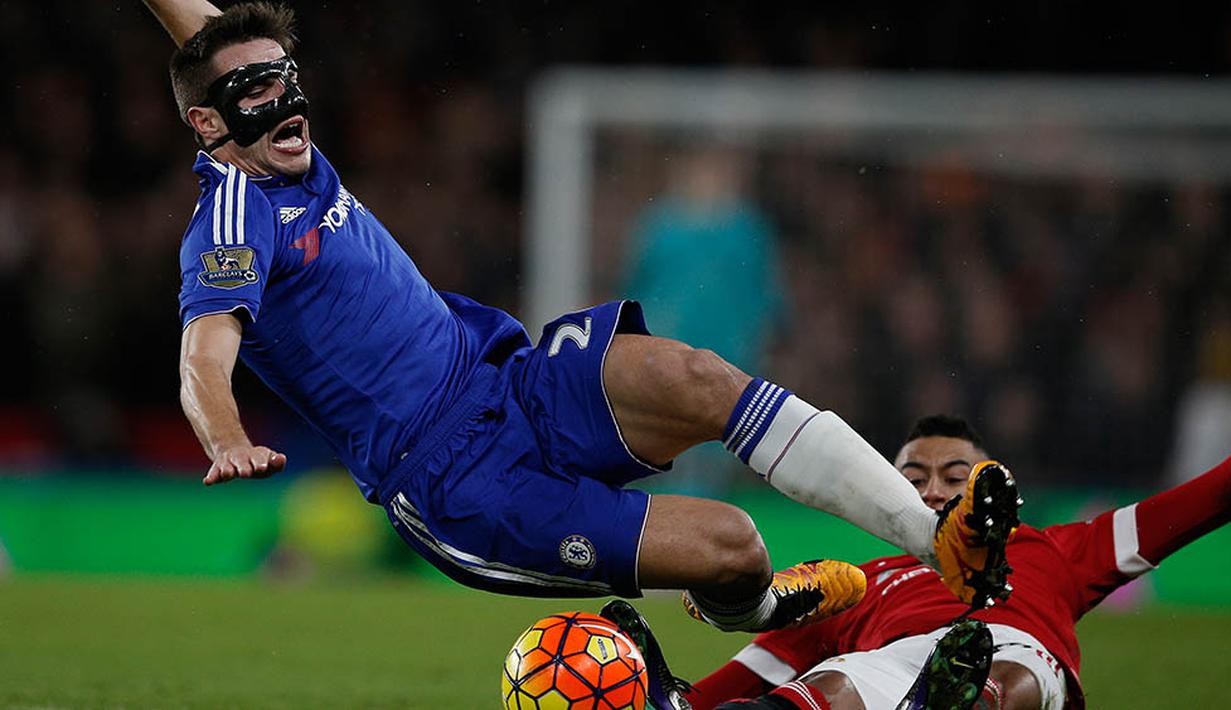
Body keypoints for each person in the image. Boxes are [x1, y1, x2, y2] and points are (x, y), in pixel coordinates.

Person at [142, 4, 1017, 705]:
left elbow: (212, 43)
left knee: (694, 374)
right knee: (733, 547)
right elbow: (204, 347)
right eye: (256, 91)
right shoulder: (236, 212)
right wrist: (222, 433)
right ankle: (761, 608)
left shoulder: (279, 147)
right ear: (208, 124)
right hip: (455, 480)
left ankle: (933, 536)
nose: (286, 101)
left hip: (506, 380)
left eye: (287, 79)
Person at [673, 414, 1231, 710]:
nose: (933, 491)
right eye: (912, 481)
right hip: (896, 673)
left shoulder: (1050, 548)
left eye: (956, 478)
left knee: (1011, 669)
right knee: (834, 687)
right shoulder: (856, 582)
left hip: (1008, 660)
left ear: (993, 489)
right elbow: (736, 683)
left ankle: (968, 697)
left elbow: (1206, 498)